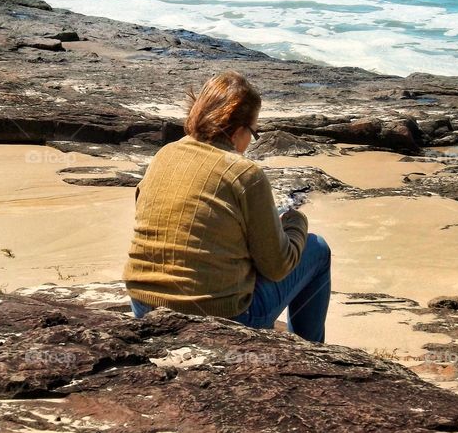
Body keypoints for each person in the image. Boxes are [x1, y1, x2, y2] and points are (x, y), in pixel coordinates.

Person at [123, 70, 331, 343]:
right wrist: (296, 223)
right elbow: (277, 267)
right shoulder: (244, 173)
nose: (249, 144)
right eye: (254, 133)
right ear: (237, 130)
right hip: (219, 317)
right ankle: (311, 352)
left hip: (143, 305)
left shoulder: (164, 155)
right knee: (317, 249)